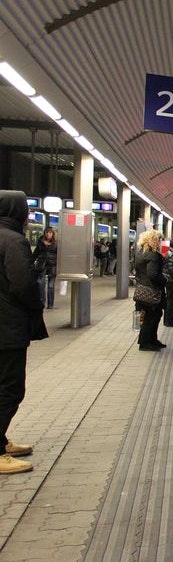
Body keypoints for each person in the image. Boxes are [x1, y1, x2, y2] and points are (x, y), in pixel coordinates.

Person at [0, 190, 46, 474]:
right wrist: (35, 305)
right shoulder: (14, 241)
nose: (28, 215)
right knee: (10, 388)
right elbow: (23, 285)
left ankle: (2, 440)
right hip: (7, 326)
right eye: (25, 209)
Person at [134, 230, 167, 352]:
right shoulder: (153, 256)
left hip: (142, 289)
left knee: (154, 315)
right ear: (153, 241)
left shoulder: (140, 253)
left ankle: (152, 339)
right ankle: (145, 343)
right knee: (151, 316)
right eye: (159, 240)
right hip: (151, 291)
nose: (160, 242)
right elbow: (153, 274)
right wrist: (164, 280)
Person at [32, 227, 58, 309]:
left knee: (51, 285)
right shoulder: (40, 242)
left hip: (52, 265)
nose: (48, 234)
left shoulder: (56, 243)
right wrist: (31, 261)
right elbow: (36, 252)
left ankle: (50, 304)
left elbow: (59, 255)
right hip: (41, 265)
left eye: (50, 232)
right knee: (40, 283)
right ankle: (42, 301)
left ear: (53, 234)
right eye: (47, 232)